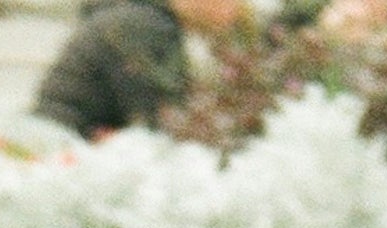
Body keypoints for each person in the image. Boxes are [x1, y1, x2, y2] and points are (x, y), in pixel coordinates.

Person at [34, 0, 245, 139]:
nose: (237, 8)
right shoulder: (147, 27)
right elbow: (160, 124)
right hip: (65, 145)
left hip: (56, 137)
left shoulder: (135, 15)